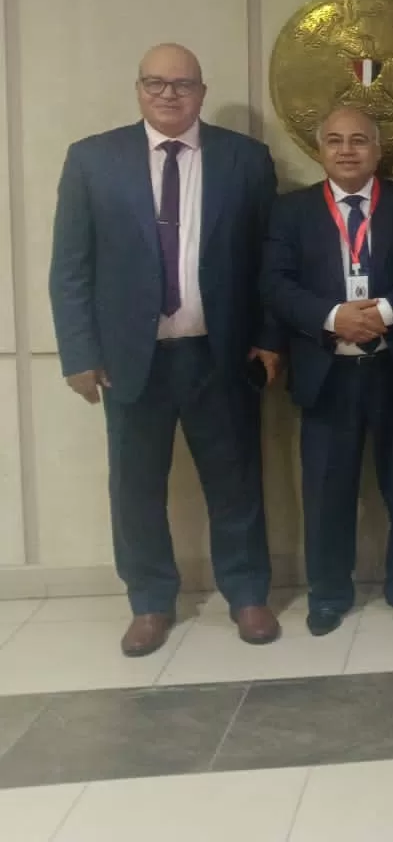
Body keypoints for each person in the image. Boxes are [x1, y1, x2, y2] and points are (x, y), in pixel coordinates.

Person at [48, 44, 281, 655]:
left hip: (220, 353)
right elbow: (70, 266)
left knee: (236, 480)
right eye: (156, 83)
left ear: (202, 91)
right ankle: (150, 602)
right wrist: (79, 352)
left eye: (182, 84)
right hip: (131, 359)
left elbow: (269, 259)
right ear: (138, 89)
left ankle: (247, 593)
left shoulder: (245, 159)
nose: (169, 94)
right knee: (135, 487)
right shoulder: (92, 160)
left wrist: (269, 336)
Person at [260, 107, 393, 634]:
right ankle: (328, 595)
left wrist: (385, 312)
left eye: (358, 141)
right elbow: (274, 283)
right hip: (327, 374)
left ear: (377, 149)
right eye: (335, 140)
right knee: (327, 493)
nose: (347, 150)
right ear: (319, 149)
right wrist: (333, 318)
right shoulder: (292, 211)